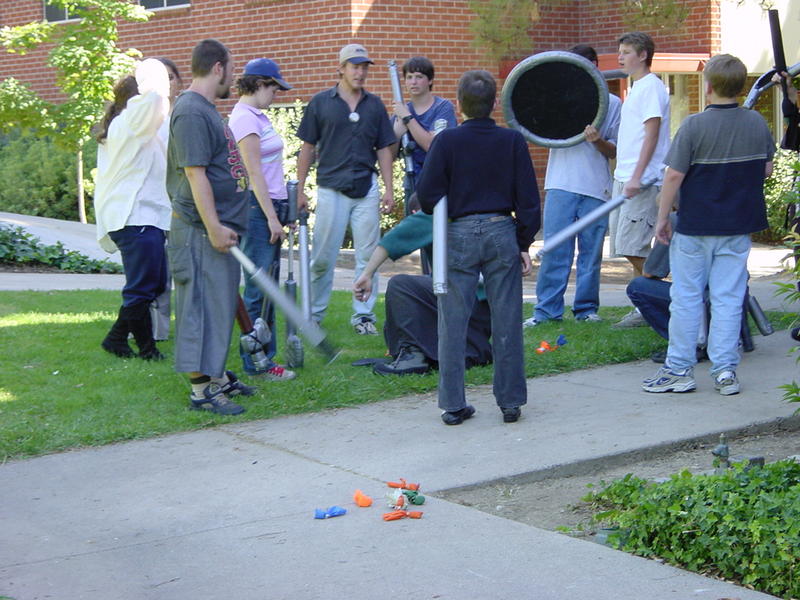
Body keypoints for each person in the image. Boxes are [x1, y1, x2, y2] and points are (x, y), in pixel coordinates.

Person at [642, 54, 774, 396]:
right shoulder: (757, 123)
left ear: (709, 86)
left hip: (696, 225)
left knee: (686, 298)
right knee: (728, 298)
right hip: (738, 225)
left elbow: (673, 175)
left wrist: (662, 218)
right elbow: (766, 169)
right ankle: (725, 371)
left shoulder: (694, 125)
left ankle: (679, 369)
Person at [417, 70, 540, 425]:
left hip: (459, 233)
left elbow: (427, 194)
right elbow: (528, 199)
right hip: (502, 229)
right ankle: (510, 401)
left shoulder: (446, 141)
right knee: (507, 319)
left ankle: (453, 404)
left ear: (459, 104)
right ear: (495, 103)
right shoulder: (512, 141)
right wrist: (523, 242)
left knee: (452, 321)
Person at [167, 39, 255, 415]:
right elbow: (194, 173)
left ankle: (216, 377)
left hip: (215, 230)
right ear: (218, 67)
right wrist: (215, 226)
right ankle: (201, 391)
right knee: (199, 309)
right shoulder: (190, 111)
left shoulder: (204, 109)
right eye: (231, 69)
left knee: (217, 307)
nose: (232, 77)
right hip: (199, 232)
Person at [295, 43, 396, 334]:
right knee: (322, 258)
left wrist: (388, 189)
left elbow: (384, 149)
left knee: (368, 257)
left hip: (366, 188)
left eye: (364, 67)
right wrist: (299, 190)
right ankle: (313, 316)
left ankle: (363, 317)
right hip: (331, 189)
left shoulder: (374, 105)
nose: (360, 72)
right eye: (355, 66)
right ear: (341, 68)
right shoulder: (320, 103)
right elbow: (307, 148)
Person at [525, 44, 621, 328]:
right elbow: (536, 128)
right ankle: (547, 311)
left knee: (590, 253)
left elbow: (615, 150)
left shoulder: (612, 103)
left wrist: (597, 140)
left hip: (596, 187)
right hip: (560, 183)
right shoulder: (557, 97)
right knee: (555, 250)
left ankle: (586, 310)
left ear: (595, 66)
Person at [94, 58, 172, 361]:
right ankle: (146, 349)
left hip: (140, 216)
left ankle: (117, 340)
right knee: (142, 287)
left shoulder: (131, 126)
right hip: (134, 216)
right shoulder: (130, 122)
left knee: (153, 283)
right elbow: (154, 99)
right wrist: (153, 75)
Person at [353, 209, 492, 375]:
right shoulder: (485, 211)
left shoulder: (439, 212)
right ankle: (461, 352)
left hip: (468, 305)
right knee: (402, 311)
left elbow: (393, 240)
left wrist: (367, 274)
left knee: (401, 286)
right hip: (481, 316)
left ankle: (413, 357)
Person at [228, 58, 296, 382]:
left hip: (271, 207)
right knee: (258, 289)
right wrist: (271, 217)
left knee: (268, 289)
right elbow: (254, 173)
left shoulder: (257, 116)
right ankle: (257, 363)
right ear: (258, 84)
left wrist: (286, 210)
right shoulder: (244, 119)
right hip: (257, 210)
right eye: (273, 88)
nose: (276, 94)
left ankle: (267, 358)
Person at [610, 31, 671, 329]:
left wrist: (637, 177)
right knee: (628, 246)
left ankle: (673, 297)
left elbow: (652, 135)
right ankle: (644, 307)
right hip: (625, 178)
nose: (620, 57)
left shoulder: (651, 87)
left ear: (643, 55)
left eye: (626, 52)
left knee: (633, 247)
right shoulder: (636, 88)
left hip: (643, 182)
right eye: (620, 52)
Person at [150, 57, 184, 342]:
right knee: (157, 272)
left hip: (182, 203)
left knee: (183, 268)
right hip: (153, 205)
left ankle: (188, 326)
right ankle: (157, 331)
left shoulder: (185, 116)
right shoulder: (146, 119)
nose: (167, 83)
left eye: (171, 77)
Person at [392, 57, 457, 198]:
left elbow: (432, 146)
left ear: (430, 80)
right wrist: (396, 134)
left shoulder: (443, 108)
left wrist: (408, 119)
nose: (413, 82)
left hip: (440, 184)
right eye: (409, 77)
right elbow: (389, 156)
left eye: (419, 77)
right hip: (412, 184)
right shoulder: (401, 111)